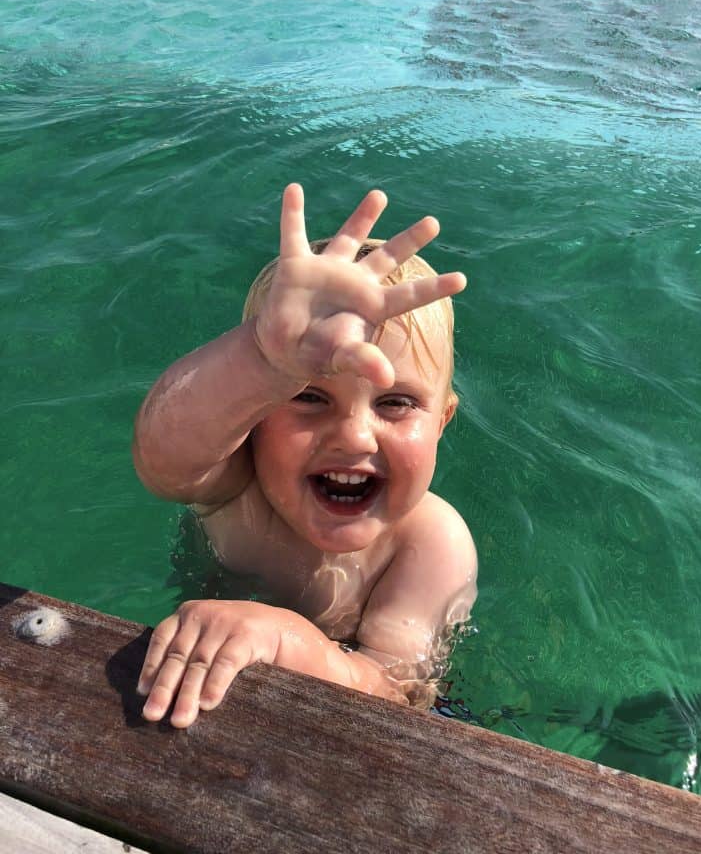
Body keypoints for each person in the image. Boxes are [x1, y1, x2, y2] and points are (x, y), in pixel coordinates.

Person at [132, 184, 478, 728]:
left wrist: (285, 639)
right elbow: (162, 460)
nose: (355, 437)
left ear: (443, 422)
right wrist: (262, 358)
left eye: (395, 403)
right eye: (310, 397)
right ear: (253, 417)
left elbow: (398, 694)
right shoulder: (235, 486)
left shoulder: (429, 541)